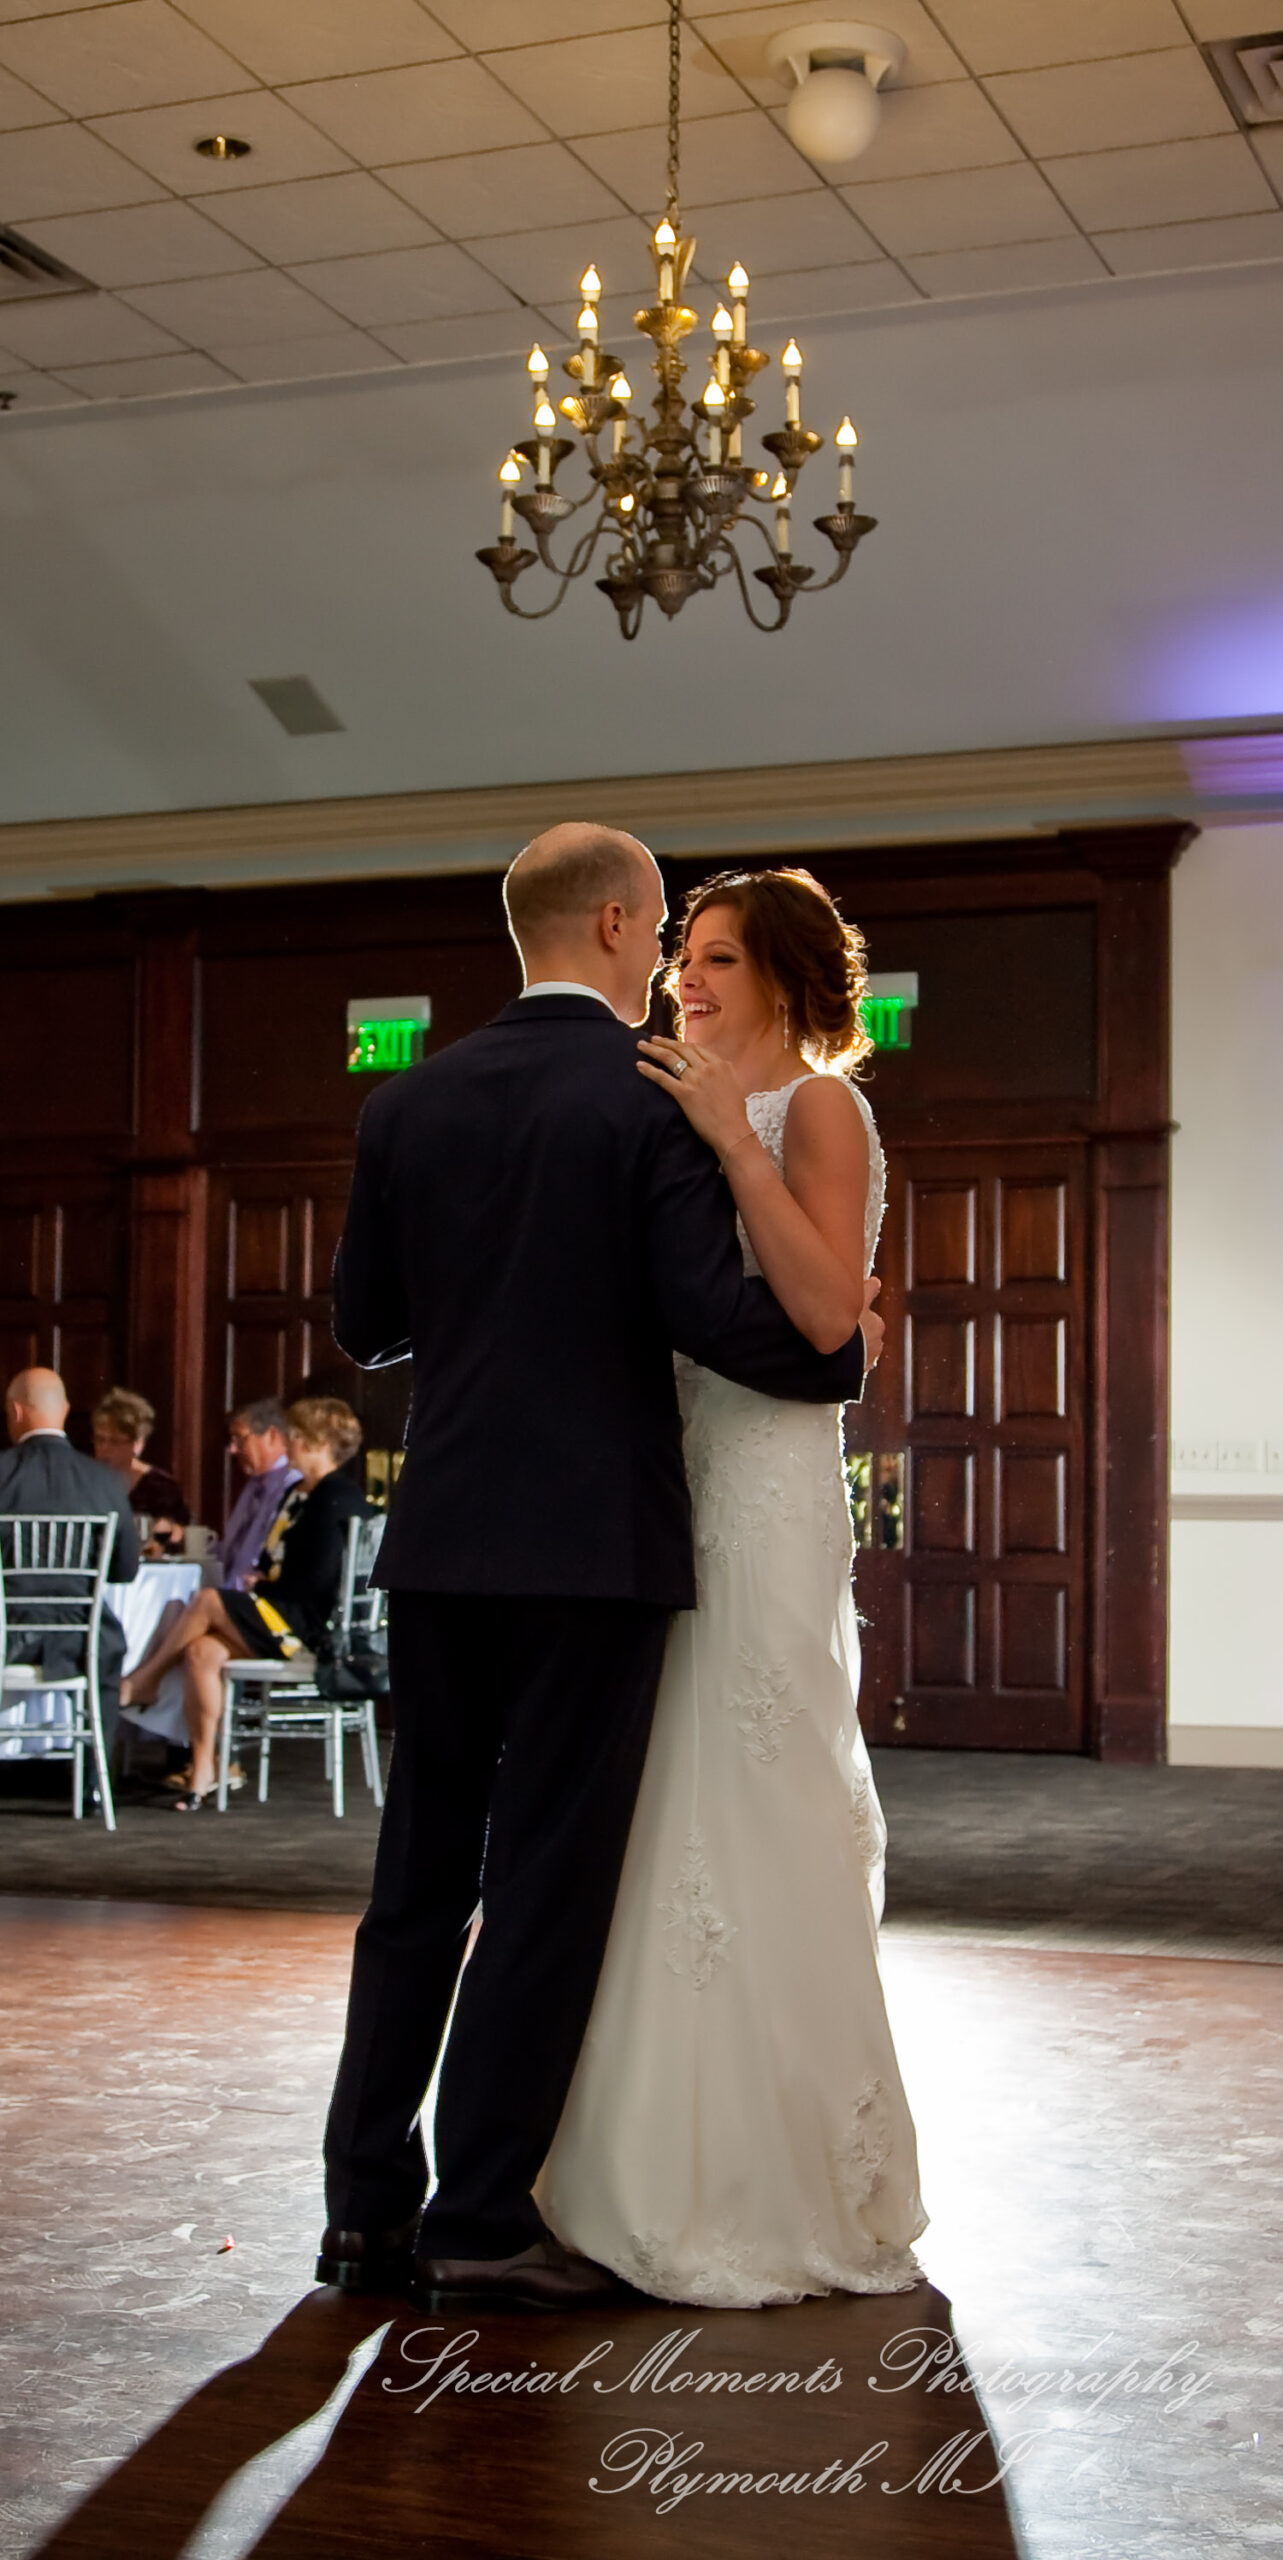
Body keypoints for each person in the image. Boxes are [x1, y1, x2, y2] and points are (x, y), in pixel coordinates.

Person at [317, 821, 882, 2314]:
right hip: (595, 1543)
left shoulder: (408, 1101)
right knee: (546, 1879)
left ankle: (361, 2210)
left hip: (443, 1535)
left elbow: (365, 1324)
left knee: (415, 1877)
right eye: (668, 935)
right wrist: (837, 1355)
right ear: (624, 924)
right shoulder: (644, 1095)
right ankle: (477, 2220)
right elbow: (706, 1309)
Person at [537, 866, 928, 2305]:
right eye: (681, 956)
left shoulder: (816, 1107)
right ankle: (636, 2148)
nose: (683, 980)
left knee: (755, 1782)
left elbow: (824, 1314)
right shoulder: (657, 1097)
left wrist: (730, 1142)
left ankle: (767, 2178)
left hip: (763, 1482)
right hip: (664, 1468)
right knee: (654, 1800)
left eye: (714, 959)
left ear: (779, 976)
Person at [120, 1398, 366, 1810]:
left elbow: (319, 1578)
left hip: (307, 1626)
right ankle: (205, 1768)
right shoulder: (298, 1494)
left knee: (207, 1600)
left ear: (320, 1444)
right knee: (201, 1651)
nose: (289, 1443)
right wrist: (267, 1577)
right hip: (279, 1611)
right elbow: (273, 1557)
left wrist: (269, 1582)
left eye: (296, 1437)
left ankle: (147, 1678)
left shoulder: (336, 1498)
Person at [0, 1367, 140, 1760]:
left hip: (5, 1633)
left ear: (16, 1411)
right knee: (108, 1651)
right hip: (81, 1638)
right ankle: (97, 1774)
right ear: (64, 1410)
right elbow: (125, 1570)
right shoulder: (104, 1480)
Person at [91, 1388, 190, 1558]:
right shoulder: (87, 1479)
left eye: (115, 1441)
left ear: (137, 1444)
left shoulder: (161, 1487)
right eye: (100, 1440)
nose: (104, 1448)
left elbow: (179, 1535)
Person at [212, 1399, 299, 1591]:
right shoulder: (255, 1484)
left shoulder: (293, 1486)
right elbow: (232, 1550)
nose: (232, 1449)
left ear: (272, 1436)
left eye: (240, 1439)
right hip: (228, 1590)